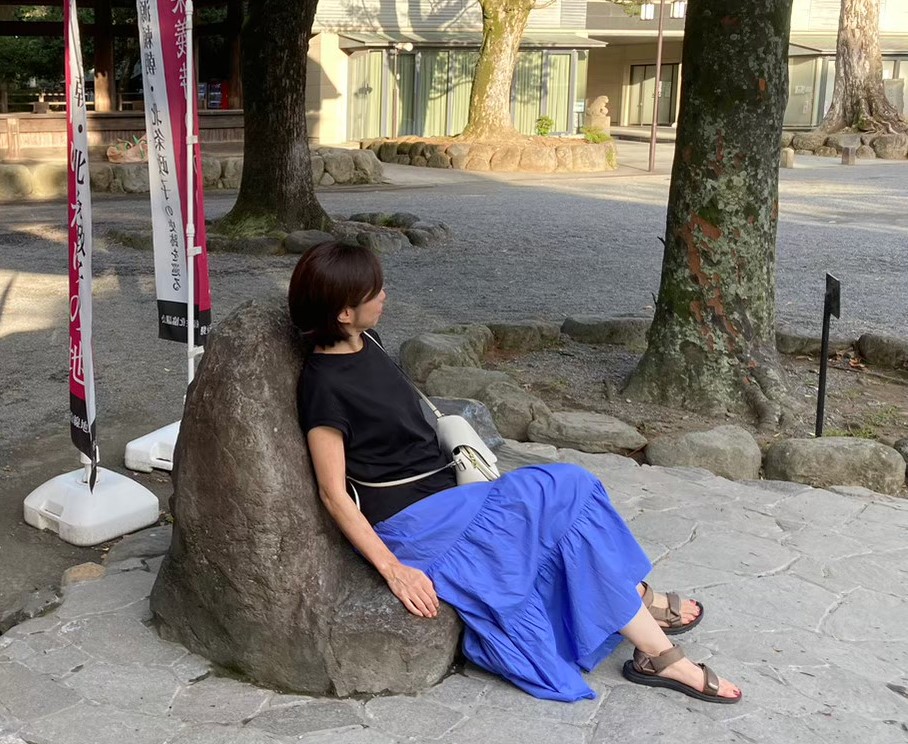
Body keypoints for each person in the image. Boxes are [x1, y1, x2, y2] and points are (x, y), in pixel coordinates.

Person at [290, 241, 741, 704]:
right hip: (416, 523)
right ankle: (658, 647)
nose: (385, 294)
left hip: (450, 494)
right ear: (344, 313)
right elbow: (333, 494)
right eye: (374, 290)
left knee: (569, 496)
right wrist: (394, 570)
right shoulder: (324, 386)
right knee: (564, 488)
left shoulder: (370, 343)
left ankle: (645, 624)